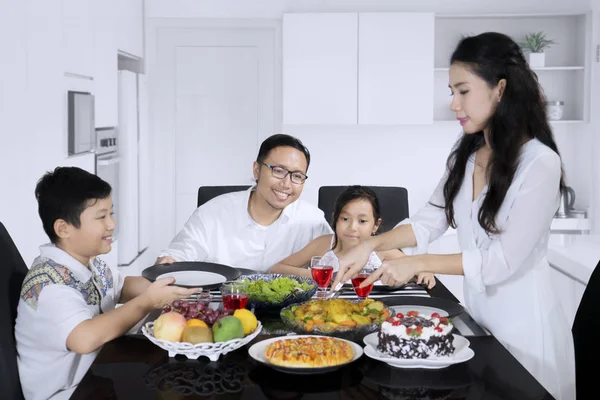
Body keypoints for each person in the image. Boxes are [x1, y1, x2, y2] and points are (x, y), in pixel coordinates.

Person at [331, 32, 575, 400]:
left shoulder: (540, 162)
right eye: (452, 92)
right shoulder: (470, 153)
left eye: (463, 91)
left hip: (526, 332)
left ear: (500, 89)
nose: (453, 104)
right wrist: (369, 245)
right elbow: (430, 220)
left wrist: (417, 265)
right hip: (480, 322)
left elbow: (501, 262)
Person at [15, 167, 199, 400]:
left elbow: (121, 287)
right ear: (63, 228)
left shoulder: (89, 263)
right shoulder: (48, 287)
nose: (111, 224)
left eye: (111, 214)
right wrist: (149, 300)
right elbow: (85, 338)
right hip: (66, 393)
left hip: (96, 378)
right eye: (101, 217)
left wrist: (170, 283)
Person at [156, 134, 332, 271]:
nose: (286, 184)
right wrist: (168, 263)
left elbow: (340, 262)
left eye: (297, 176)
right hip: (222, 311)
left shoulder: (312, 220)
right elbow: (176, 257)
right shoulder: (213, 213)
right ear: (257, 170)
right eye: (278, 171)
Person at [271, 185, 435, 288]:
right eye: (345, 219)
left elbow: (415, 267)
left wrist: (425, 272)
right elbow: (277, 269)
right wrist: (316, 276)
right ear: (335, 218)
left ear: (375, 225)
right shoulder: (324, 244)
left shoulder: (382, 251)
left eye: (362, 221)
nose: (352, 227)